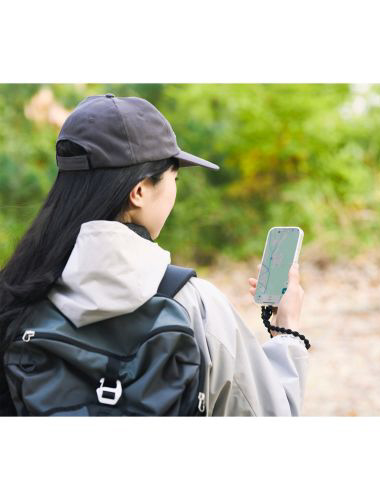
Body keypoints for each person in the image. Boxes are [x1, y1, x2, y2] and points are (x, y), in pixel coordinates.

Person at [0, 94, 309, 416]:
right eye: (174, 178)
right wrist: (286, 331)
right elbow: (272, 415)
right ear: (139, 191)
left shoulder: (16, 296)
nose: (174, 190)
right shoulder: (197, 306)